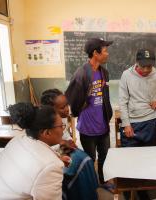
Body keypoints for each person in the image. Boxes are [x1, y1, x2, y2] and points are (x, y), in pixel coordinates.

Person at [0, 103, 65, 199]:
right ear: (46, 133)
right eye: (61, 126)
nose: (63, 129)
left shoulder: (18, 139)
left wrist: (55, 158)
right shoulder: (50, 167)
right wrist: (53, 163)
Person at [65, 38, 113, 188]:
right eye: (105, 51)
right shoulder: (81, 73)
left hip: (103, 124)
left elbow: (105, 97)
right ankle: (92, 184)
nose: (107, 54)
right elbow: (70, 98)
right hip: (88, 127)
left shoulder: (104, 72)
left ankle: (103, 181)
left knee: (105, 155)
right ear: (95, 53)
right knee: (90, 158)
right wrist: (81, 104)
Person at [41, 89, 98, 200]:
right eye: (62, 107)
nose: (67, 109)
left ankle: (90, 192)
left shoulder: (61, 119)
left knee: (87, 160)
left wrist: (69, 142)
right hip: (53, 156)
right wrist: (61, 144)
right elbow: (44, 147)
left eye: (67, 105)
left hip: (63, 150)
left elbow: (65, 136)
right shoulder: (44, 124)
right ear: (51, 109)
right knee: (79, 166)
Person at [119, 49, 156, 147]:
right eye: (142, 66)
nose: (145, 70)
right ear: (136, 62)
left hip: (150, 122)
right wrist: (126, 124)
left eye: (149, 67)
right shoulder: (126, 75)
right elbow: (123, 101)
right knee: (130, 156)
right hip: (132, 123)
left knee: (148, 156)